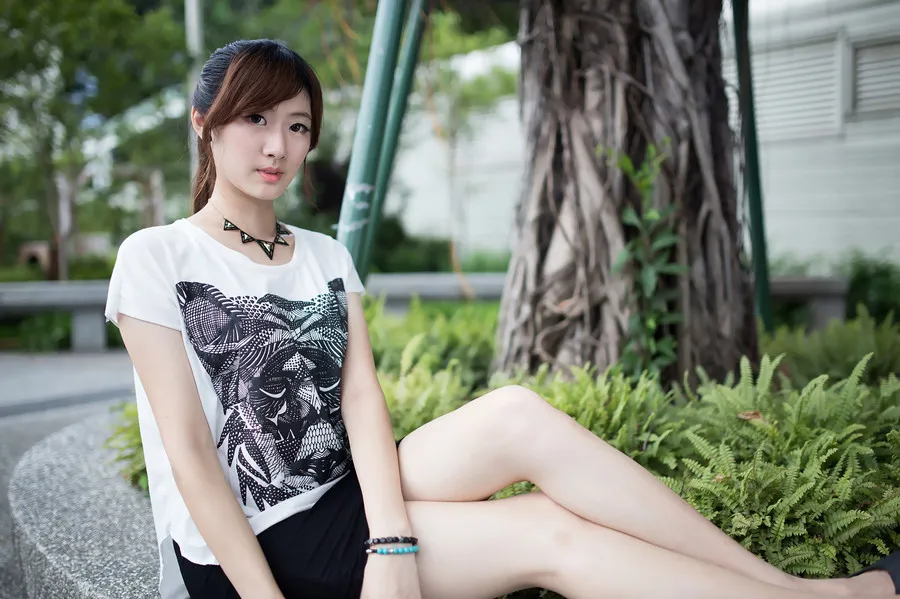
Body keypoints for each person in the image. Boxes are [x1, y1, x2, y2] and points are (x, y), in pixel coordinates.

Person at [105, 38, 899, 599]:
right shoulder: (158, 256)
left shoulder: (322, 254)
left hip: (343, 492)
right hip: (258, 541)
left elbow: (360, 400)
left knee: (516, 412)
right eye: (255, 119)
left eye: (298, 124)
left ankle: (795, 587)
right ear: (204, 122)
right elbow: (191, 458)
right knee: (547, 534)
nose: (278, 145)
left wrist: (391, 537)